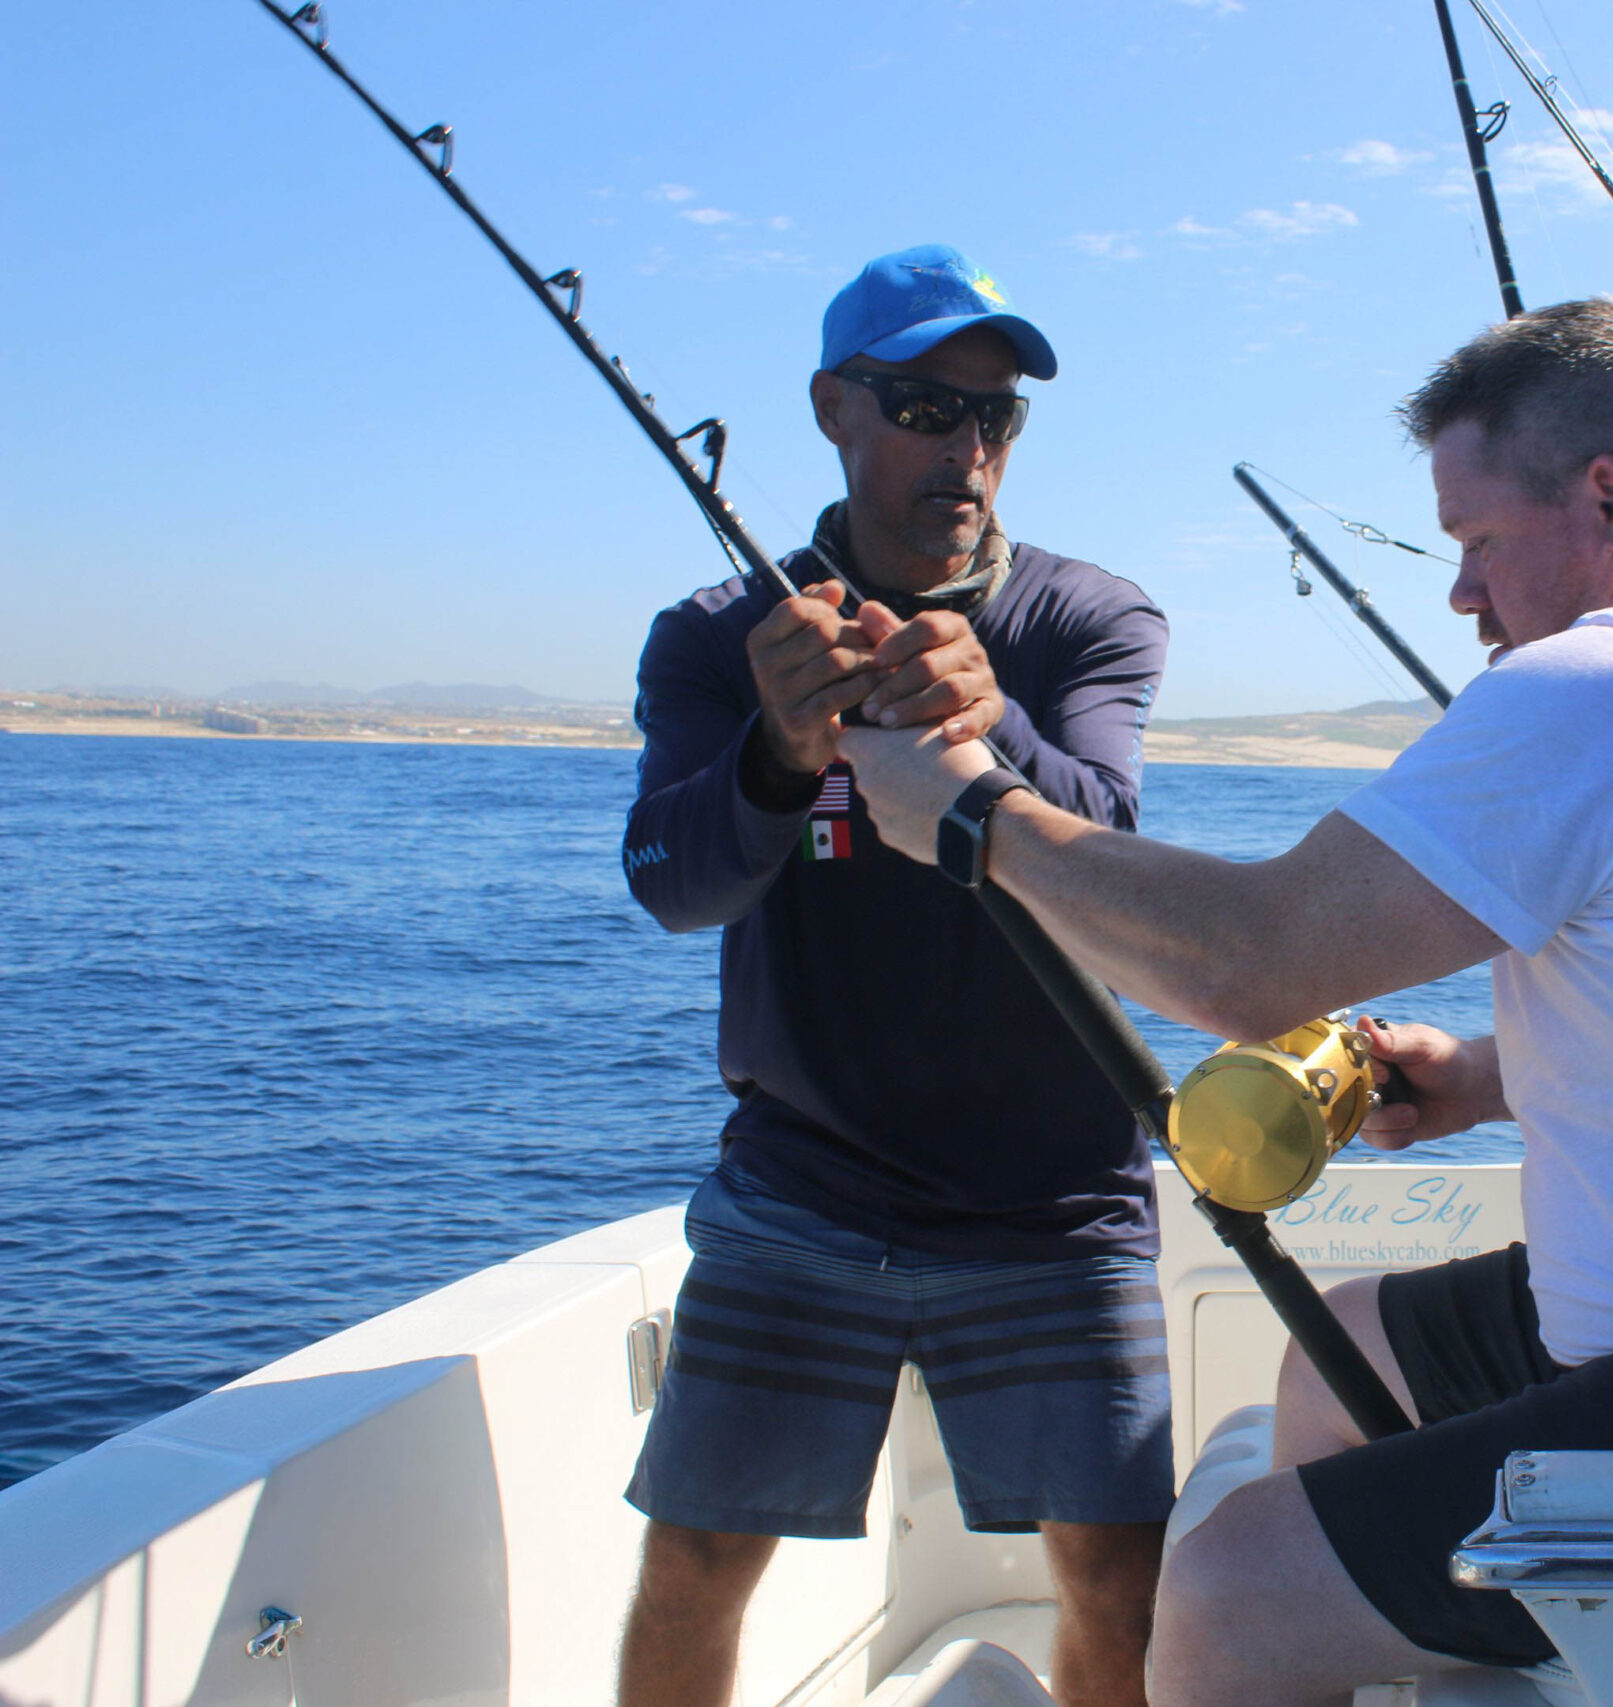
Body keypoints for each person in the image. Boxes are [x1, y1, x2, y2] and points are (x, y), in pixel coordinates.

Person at [841, 299, 1613, 1705]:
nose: (1463, 594)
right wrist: (1493, 1073)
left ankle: (1317, 1626)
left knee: (1222, 1595)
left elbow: (1252, 963)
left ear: (1612, 503)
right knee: (1346, 1352)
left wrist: (974, 822)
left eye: (1477, 542)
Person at [615, 245, 1172, 1707]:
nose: (970, 449)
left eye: (998, 418)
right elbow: (676, 882)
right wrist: (777, 752)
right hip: (807, 1181)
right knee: (693, 1566)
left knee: (1119, 1578)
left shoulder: (1086, 622)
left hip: (1057, 1194)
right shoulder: (717, 639)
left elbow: (1106, 847)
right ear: (833, 412)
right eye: (927, 407)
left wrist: (993, 739)